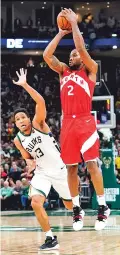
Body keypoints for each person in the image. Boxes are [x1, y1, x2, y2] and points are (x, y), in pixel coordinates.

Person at [43, 8, 110, 231]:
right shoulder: (63, 72)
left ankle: (102, 207)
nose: (73, 56)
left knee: (91, 164)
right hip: (67, 124)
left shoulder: (91, 70)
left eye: (76, 54)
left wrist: (74, 25)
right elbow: (46, 56)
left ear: (83, 57)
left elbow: (81, 47)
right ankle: (76, 209)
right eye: (70, 55)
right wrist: (61, 33)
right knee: (71, 169)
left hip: (85, 121)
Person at [12, 68, 73, 251]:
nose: (21, 120)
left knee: (69, 206)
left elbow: (40, 101)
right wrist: (29, 162)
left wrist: (25, 85)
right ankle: (50, 238)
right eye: (17, 119)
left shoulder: (39, 124)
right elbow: (28, 158)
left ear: (29, 119)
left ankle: (75, 208)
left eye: (23, 117)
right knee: (35, 202)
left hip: (60, 170)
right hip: (42, 173)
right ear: (15, 124)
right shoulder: (17, 140)